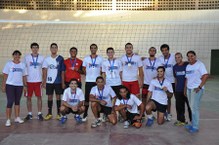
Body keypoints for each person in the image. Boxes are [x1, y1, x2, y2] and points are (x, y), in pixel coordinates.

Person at [2, 50, 27, 127]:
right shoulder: (9, 64)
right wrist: (3, 85)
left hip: (19, 86)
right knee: (10, 102)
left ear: (20, 56)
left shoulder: (22, 65)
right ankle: (8, 119)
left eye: (18, 55)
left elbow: (24, 76)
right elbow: (5, 75)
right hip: (10, 85)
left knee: (17, 102)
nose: (17, 56)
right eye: (15, 55)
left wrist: (25, 86)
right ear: (13, 56)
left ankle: (17, 117)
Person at [185, 50, 208, 133]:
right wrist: (185, 89)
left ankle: (195, 126)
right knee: (191, 107)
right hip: (189, 89)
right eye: (188, 56)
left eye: (192, 56)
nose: (190, 57)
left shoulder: (199, 64)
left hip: (196, 89)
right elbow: (187, 79)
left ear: (195, 56)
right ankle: (192, 124)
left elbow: (205, 75)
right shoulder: (188, 66)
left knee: (195, 108)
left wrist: (200, 87)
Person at [42, 43, 65, 121]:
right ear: (50, 49)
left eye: (55, 47)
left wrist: (63, 82)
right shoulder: (47, 59)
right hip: (49, 81)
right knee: (49, 97)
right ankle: (49, 113)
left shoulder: (61, 58)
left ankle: (59, 114)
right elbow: (44, 71)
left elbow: (62, 72)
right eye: (52, 48)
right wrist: (44, 82)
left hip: (58, 81)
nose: (54, 49)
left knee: (58, 97)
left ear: (57, 49)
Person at [23, 42, 44, 121]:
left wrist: (44, 81)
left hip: (38, 81)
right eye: (33, 47)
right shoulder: (27, 58)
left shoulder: (42, 58)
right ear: (31, 49)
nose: (35, 49)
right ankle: (30, 114)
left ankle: (39, 113)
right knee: (28, 98)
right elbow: (24, 70)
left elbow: (44, 69)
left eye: (36, 47)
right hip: (29, 81)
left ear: (38, 49)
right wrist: (24, 81)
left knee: (39, 97)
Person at [82, 44, 103, 121]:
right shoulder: (86, 58)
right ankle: (85, 114)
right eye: (92, 48)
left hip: (97, 82)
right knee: (87, 98)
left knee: (97, 98)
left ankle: (98, 115)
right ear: (90, 49)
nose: (93, 49)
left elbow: (102, 69)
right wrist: (88, 75)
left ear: (96, 49)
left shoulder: (100, 58)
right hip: (88, 81)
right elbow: (84, 69)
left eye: (95, 48)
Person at [159, 44, 175, 121]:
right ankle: (164, 112)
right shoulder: (160, 58)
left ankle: (169, 113)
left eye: (166, 50)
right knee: (163, 98)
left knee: (169, 98)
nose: (164, 52)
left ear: (168, 50)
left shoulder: (173, 58)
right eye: (163, 50)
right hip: (163, 81)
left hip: (172, 82)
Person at [173, 52, 189, 126]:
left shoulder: (187, 65)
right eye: (176, 58)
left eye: (179, 57)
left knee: (190, 106)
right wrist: (176, 89)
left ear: (182, 57)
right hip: (178, 90)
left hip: (187, 89)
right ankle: (181, 120)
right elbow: (176, 78)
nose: (177, 59)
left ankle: (192, 121)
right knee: (179, 106)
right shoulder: (175, 67)